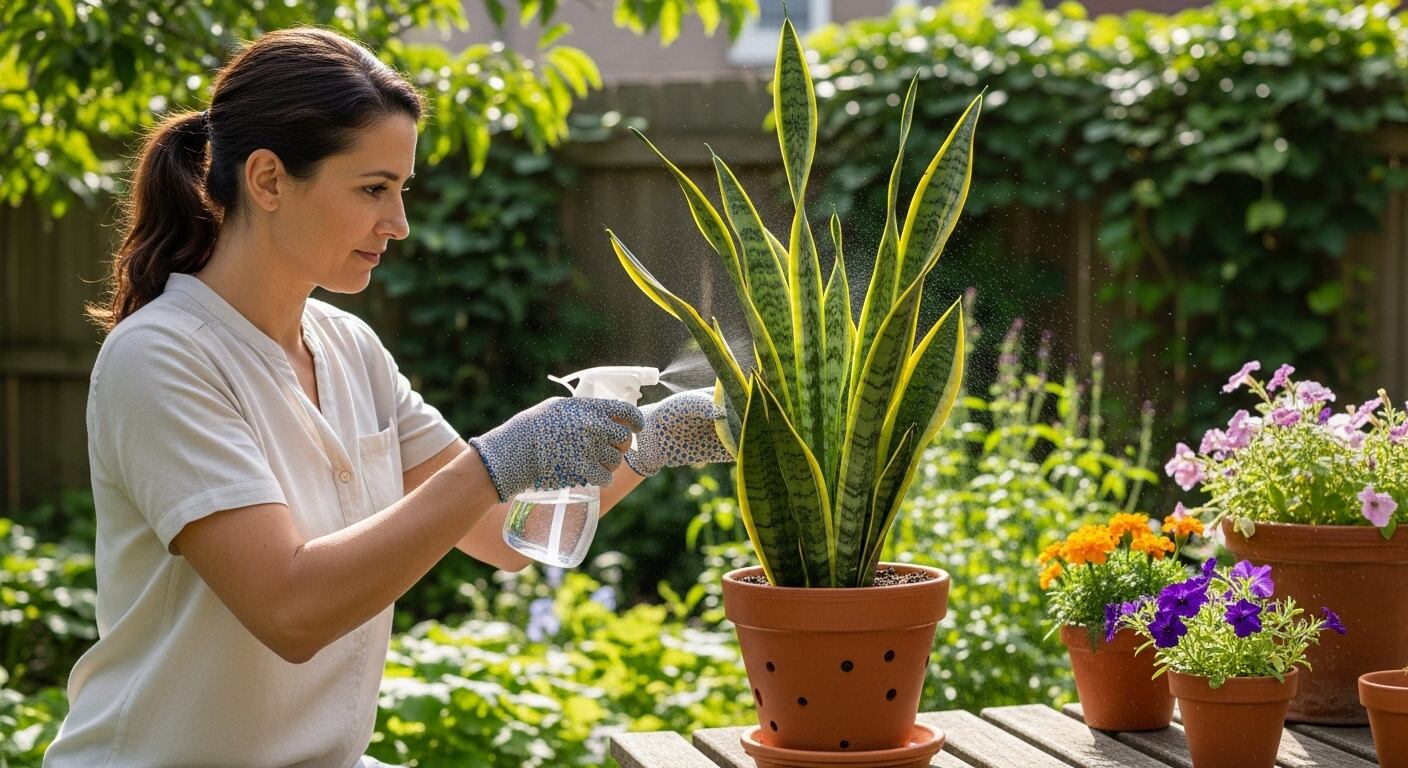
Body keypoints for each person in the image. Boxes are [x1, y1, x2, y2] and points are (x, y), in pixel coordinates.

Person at [43, 27, 732, 768]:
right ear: (268, 180)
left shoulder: (349, 348)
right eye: (373, 188)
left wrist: (647, 443)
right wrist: (496, 461)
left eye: (401, 189)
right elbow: (289, 608)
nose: (398, 223)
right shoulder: (160, 357)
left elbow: (504, 533)